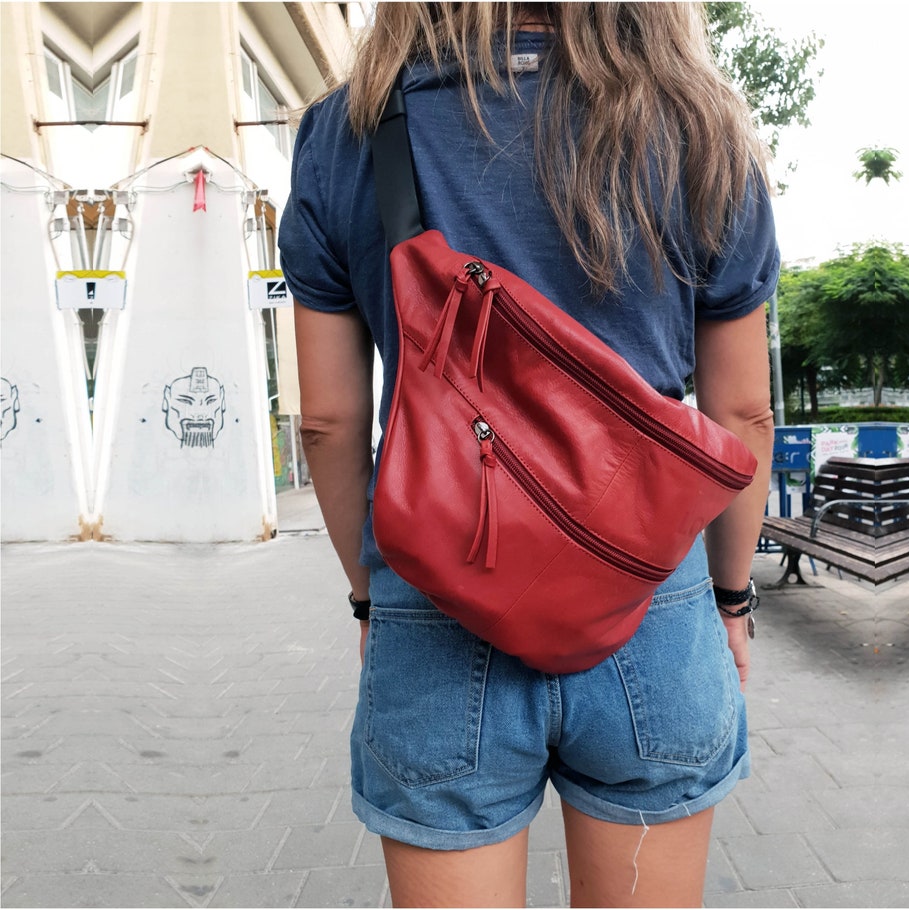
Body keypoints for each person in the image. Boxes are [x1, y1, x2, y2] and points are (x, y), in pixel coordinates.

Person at [278, 3, 778, 906]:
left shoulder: (349, 131)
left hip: (436, 594)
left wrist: (369, 596)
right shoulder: (701, 124)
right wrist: (732, 599)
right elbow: (742, 412)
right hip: (649, 597)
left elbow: (328, 422)